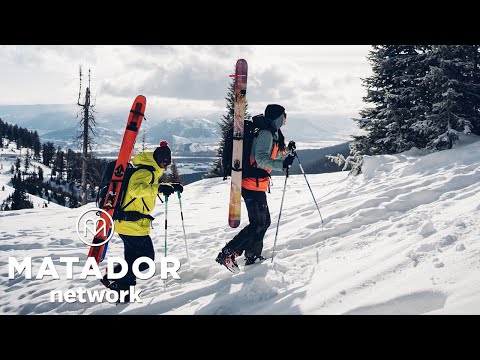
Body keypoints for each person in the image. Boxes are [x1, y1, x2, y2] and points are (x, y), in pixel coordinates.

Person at [215, 104, 296, 271]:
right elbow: (260, 159)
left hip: (256, 184)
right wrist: (282, 165)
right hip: (251, 183)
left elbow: (269, 153)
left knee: (264, 222)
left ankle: (253, 255)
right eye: (284, 116)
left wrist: (286, 151)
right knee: (258, 223)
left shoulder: (270, 132)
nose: (285, 120)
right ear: (278, 117)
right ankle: (228, 253)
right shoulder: (266, 133)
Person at [102, 140, 184, 302]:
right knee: (146, 261)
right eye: (163, 162)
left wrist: (170, 186)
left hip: (131, 224)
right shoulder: (146, 172)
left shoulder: (150, 171)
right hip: (132, 224)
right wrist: (159, 188)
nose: (165, 166)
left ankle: (124, 294)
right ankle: (111, 275)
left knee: (133, 261)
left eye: (167, 163)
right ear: (157, 160)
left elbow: (146, 188)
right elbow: (135, 189)